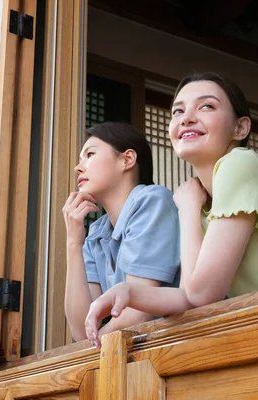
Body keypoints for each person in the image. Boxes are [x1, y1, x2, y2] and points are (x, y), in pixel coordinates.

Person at [84, 72, 258, 347]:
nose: (187, 118)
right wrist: (127, 291)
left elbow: (202, 293)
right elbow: (187, 296)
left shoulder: (240, 164)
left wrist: (188, 208)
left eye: (206, 106)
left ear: (240, 128)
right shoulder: (208, 208)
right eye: (178, 111)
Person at [63, 122, 181, 341]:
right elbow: (81, 330)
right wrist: (73, 243)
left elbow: (136, 315)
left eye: (90, 154)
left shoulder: (152, 200)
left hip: (185, 342)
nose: (78, 168)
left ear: (127, 160)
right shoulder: (98, 231)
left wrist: (93, 344)